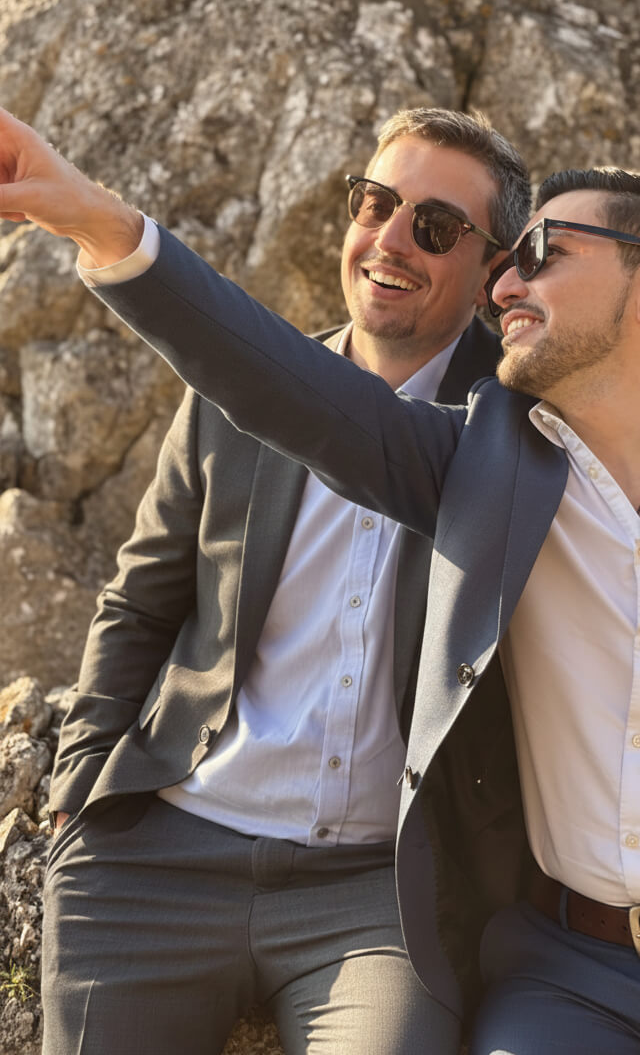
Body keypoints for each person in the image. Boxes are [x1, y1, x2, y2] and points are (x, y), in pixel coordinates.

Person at [3, 110, 640, 1052]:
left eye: (540, 252)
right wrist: (101, 224)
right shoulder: (484, 461)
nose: (509, 282)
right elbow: (268, 386)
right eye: (376, 205)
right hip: (567, 978)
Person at [3, 105, 529, 1055]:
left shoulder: (517, 430)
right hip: (160, 860)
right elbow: (142, 597)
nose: (392, 239)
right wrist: (81, 784)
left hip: (378, 897)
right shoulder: (229, 397)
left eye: (438, 226)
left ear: (496, 273)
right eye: (376, 202)